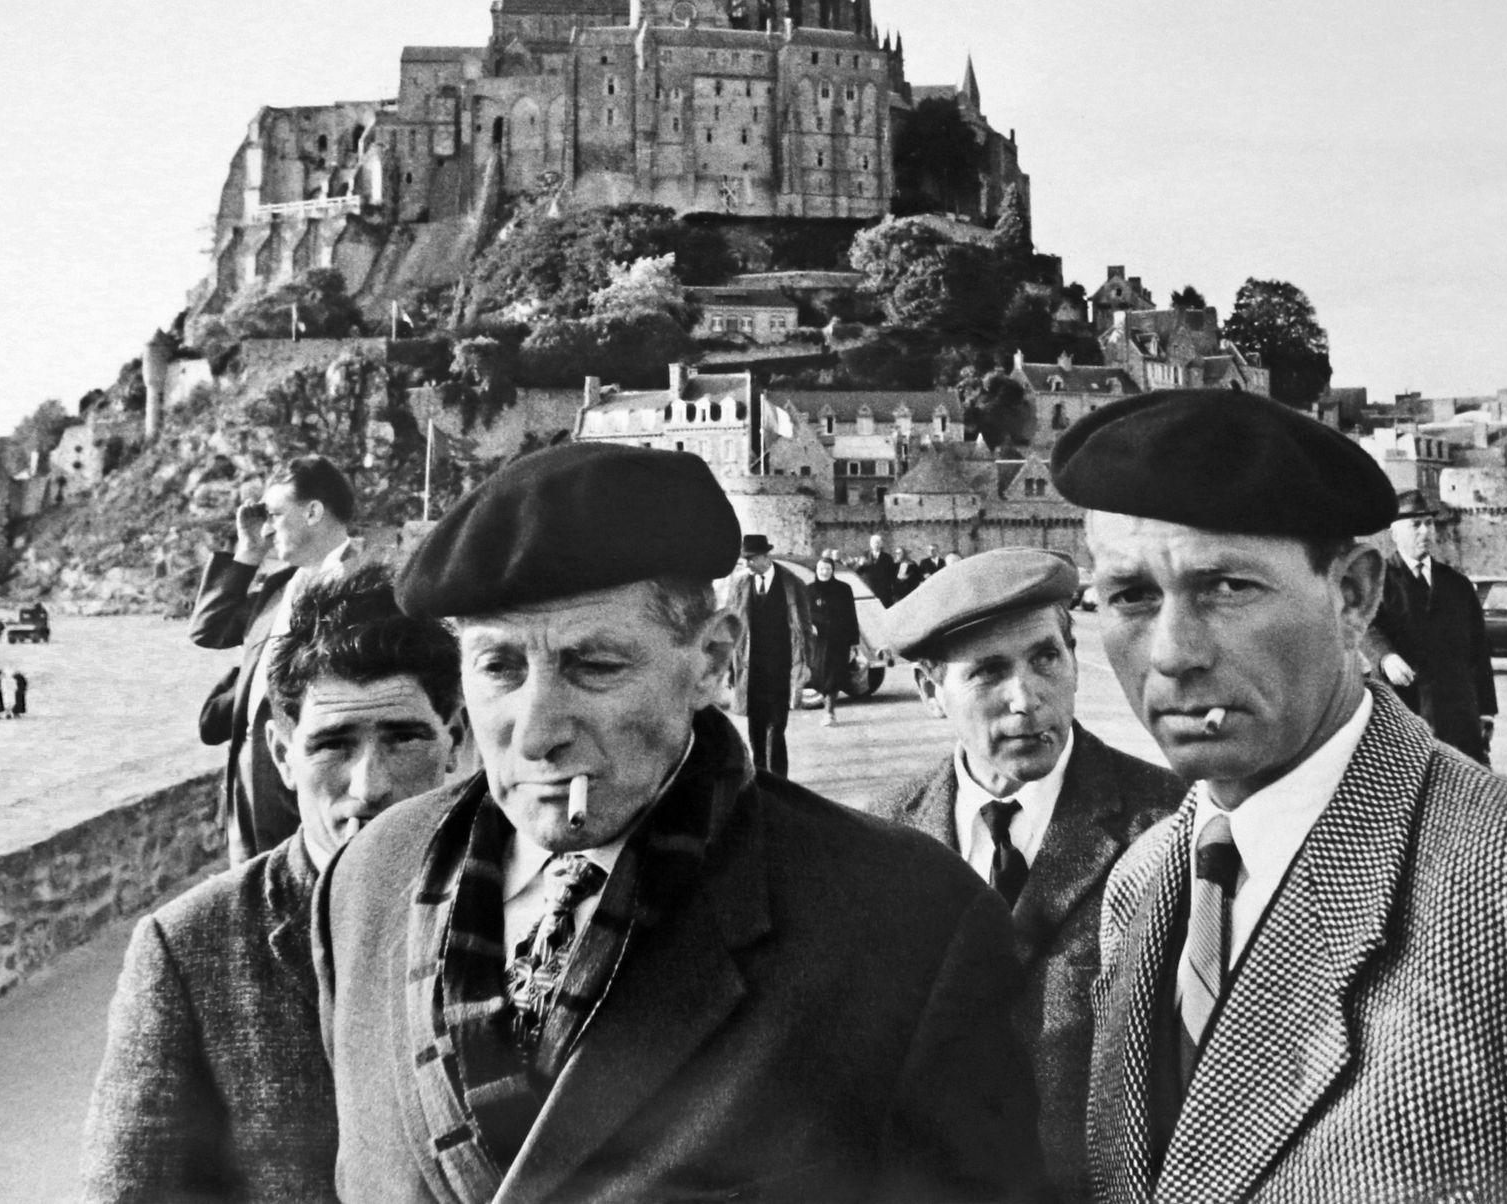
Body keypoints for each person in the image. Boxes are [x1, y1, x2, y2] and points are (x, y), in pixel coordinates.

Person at [315, 442, 1047, 1204]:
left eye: (593, 667)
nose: (536, 734)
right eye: (499, 667)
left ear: (713, 661)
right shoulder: (367, 881)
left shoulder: (907, 923)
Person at [1047, 388, 1507, 1204]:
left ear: (1355, 597)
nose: (1173, 653)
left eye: (1227, 588)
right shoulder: (1144, 885)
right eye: (1130, 597)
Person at [83, 563, 464, 1204]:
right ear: (282, 756)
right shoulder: (189, 948)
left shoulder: (526, 906)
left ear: (452, 739)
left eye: (403, 739)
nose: (369, 787)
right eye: (332, 745)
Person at [871, 549, 1184, 1203]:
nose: (1026, 698)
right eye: (988, 671)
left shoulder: (1168, 825)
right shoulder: (881, 838)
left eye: (1046, 657)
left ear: (1074, 656)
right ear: (930, 692)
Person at [192, 454, 361, 865]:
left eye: (275, 515)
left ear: (313, 511)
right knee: (251, 902)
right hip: (249, 780)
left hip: (316, 783)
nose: (268, 528)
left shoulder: (365, 583)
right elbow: (208, 630)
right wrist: (247, 552)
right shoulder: (278, 588)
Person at [1362, 488, 1497, 764]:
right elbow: (1366, 624)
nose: (1425, 531)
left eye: (1429, 523)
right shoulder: (1380, 580)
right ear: (1395, 532)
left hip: (1459, 716)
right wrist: (1385, 657)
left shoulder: (1457, 585)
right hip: (1405, 710)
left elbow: (1479, 651)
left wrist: (1486, 710)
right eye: (1415, 525)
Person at [720, 534, 810, 776]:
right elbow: (731, 629)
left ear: (764, 556)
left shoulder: (793, 584)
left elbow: (804, 630)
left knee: (776, 726)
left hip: (782, 666)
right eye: (744, 559)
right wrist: (730, 667)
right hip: (751, 668)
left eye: (750, 559)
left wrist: (804, 666)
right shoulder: (740, 586)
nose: (747, 564)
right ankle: (760, 777)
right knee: (756, 726)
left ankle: (778, 779)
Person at [805, 552, 860, 726]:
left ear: (833, 570)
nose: (824, 572)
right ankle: (827, 708)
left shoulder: (844, 589)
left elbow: (851, 615)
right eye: (821, 568)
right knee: (819, 675)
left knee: (835, 675)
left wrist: (853, 643)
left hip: (839, 639)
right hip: (818, 641)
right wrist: (810, 626)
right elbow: (804, 614)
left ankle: (829, 712)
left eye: (828, 568)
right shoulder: (809, 590)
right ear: (817, 570)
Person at [854, 532, 901, 608]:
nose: (876, 544)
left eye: (878, 543)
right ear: (870, 544)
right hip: (869, 589)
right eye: (874, 543)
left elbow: (892, 575)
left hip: (883, 591)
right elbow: (856, 571)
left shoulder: (887, 557)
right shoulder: (864, 555)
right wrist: (860, 564)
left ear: (881, 544)